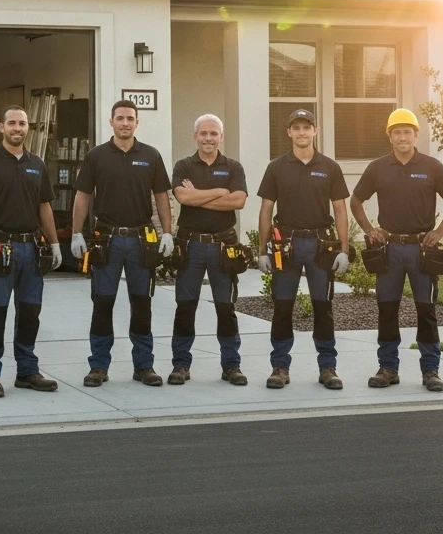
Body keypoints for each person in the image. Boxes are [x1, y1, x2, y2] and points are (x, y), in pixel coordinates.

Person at [349, 108, 443, 393]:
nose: (402, 137)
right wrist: (369, 230)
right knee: (387, 310)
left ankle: (431, 369)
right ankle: (388, 368)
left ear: (416, 135)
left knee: (426, 311)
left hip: (421, 251)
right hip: (389, 252)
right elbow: (356, 201)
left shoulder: (432, 166)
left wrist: (439, 232)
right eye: (396, 132)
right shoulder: (378, 167)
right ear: (390, 136)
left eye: (407, 132)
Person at [71, 100, 173, 387]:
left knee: (142, 304)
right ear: (111, 121)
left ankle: (144, 366)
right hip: (107, 240)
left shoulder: (151, 156)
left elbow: (162, 195)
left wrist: (167, 232)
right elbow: (82, 195)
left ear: (137, 122)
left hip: (141, 240)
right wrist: (77, 232)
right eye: (120, 118)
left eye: (130, 118)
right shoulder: (96, 156)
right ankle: (98, 367)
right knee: (102, 303)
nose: (125, 122)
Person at [0, 105, 63, 398]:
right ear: (2, 127)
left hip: (32, 249)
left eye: (22, 124)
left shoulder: (37, 164)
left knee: (30, 312)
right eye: (13, 123)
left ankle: (27, 371)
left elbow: (45, 206)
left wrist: (54, 243)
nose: (18, 128)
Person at [256, 109, 350, 390]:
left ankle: (327, 368)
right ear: (289, 133)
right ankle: (280, 366)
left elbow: (340, 209)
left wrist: (344, 250)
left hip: (321, 245)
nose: (301, 132)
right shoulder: (276, 167)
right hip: (286, 245)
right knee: (283, 307)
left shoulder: (330, 167)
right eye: (296, 127)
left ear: (315, 131)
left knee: (323, 308)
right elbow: (266, 208)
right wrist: (261, 250)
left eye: (306, 127)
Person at [169, 114, 249, 386]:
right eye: (203, 133)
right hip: (189, 247)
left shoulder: (233, 167)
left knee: (225, 308)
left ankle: (231, 366)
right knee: (185, 307)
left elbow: (238, 201)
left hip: (222, 247)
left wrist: (198, 197)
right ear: (195, 136)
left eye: (214, 133)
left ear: (221, 137)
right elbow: (182, 197)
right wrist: (219, 191)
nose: (208, 138)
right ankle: (180, 364)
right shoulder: (183, 165)